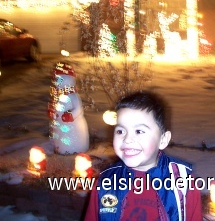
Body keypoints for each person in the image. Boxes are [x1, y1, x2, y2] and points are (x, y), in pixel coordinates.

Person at [84, 90, 203, 220]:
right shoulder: (106, 181)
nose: (127, 139)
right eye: (120, 131)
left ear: (162, 140)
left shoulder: (183, 181)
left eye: (139, 131)